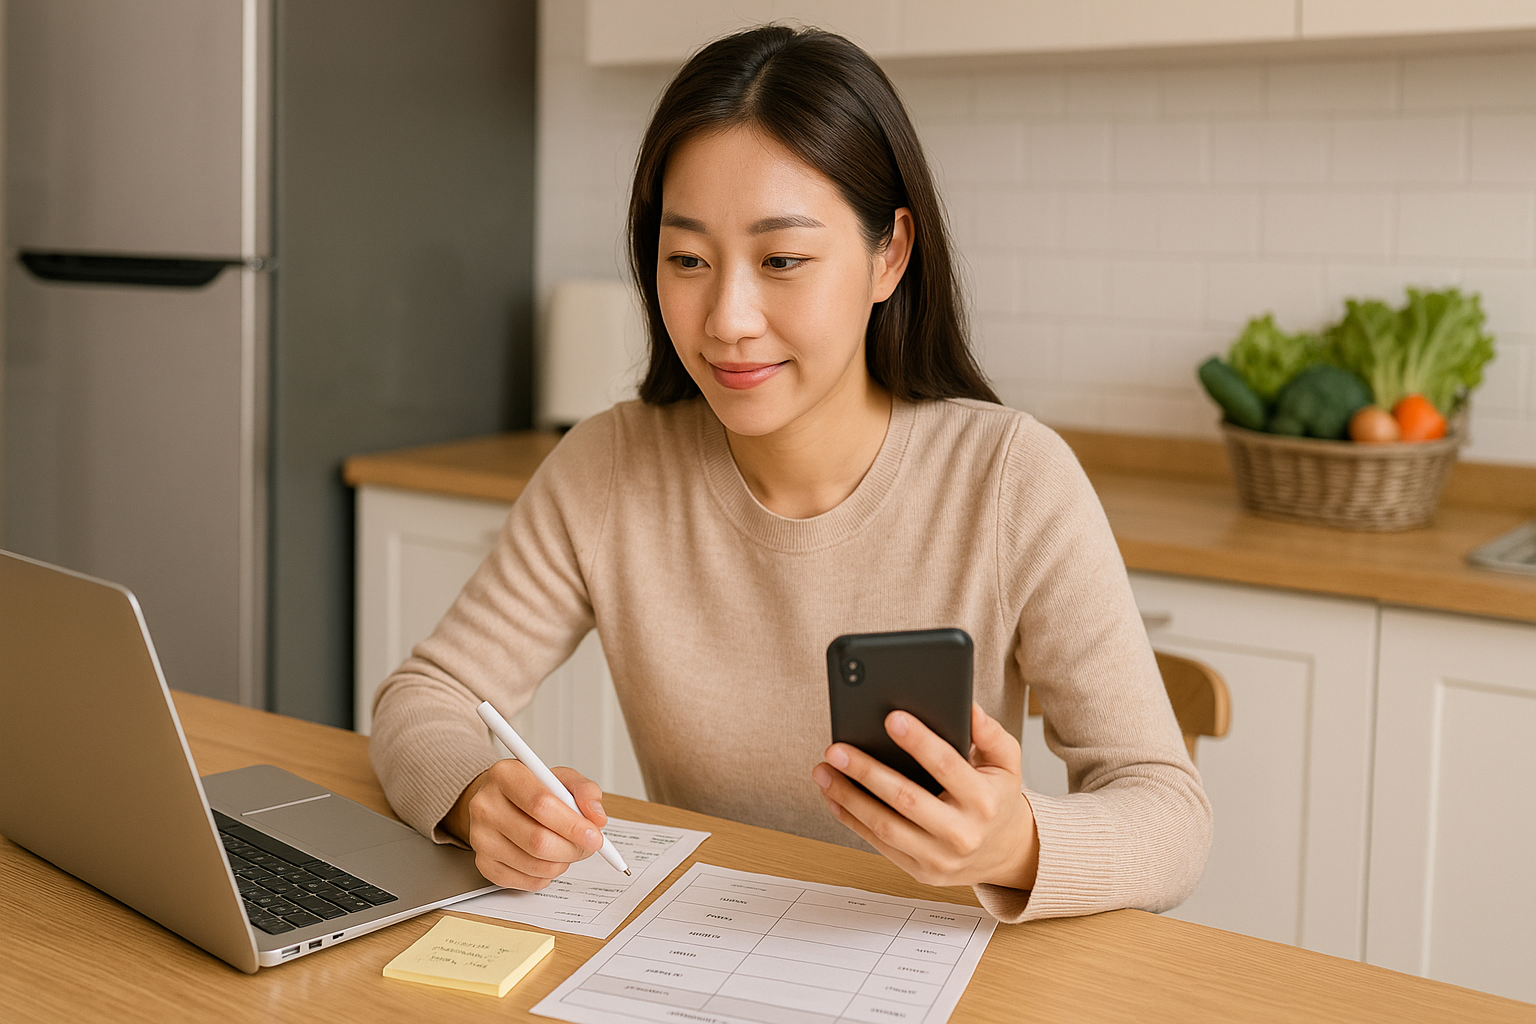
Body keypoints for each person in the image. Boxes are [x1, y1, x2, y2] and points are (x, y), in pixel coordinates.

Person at [370, 24, 1210, 924]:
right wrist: (471, 795)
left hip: (923, 966)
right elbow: (427, 697)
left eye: (781, 262)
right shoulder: (610, 469)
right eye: (687, 259)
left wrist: (1014, 843)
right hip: (692, 957)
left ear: (889, 255)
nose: (728, 318)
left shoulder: (1011, 479)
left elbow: (1169, 812)